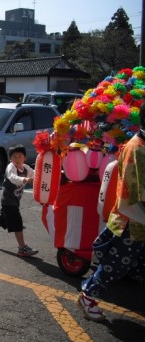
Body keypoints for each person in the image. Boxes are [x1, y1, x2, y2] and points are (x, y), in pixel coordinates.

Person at [78, 102, 145, 322]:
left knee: (133, 264)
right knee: (113, 265)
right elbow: (134, 193)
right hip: (130, 220)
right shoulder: (137, 148)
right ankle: (88, 297)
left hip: (135, 219)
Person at [0, 145, 38, 257]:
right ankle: (22, 248)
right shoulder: (10, 167)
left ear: (24, 158)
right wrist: (25, 179)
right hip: (8, 201)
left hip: (15, 201)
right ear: (10, 159)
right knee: (17, 223)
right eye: (14, 157)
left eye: (19, 156)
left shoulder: (26, 168)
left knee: (2, 220)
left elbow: (36, 174)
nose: (17, 159)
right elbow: (13, 178)